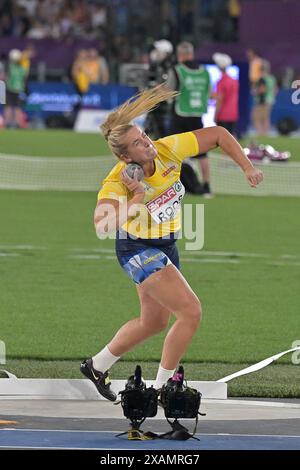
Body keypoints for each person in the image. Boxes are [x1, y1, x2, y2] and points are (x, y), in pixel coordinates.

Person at [79, 85, 263, 401]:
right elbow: (102, 224)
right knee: (191, 311)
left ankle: (97, 366)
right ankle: (162, 388)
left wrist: (246, 166)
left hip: (166, 244)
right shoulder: (117, 182)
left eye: (145, 136)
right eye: (138, 143)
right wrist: (136, 196)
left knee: (154, 322)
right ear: (126, 156)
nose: (147, 143)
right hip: (137, 249)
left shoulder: (166, 150)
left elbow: (218, 133)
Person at [166, 41, 213, 197]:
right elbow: (209, 92)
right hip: (197, 116)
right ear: (191, 54)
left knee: (173, 153)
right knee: (202, 154)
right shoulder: (204, 71)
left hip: (180, 115)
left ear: (180, 56)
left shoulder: (178, 70)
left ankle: (174, 187)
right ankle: (207, 186)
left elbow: (169, 92)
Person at [212, 52, 239, 135]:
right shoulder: (234, 81)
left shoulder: (220, 82)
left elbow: (219, 100)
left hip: (223, 116)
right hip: (233, 114)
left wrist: (215, 115)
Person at [252, 60, 277, 135]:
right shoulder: (272, 78)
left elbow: (262, 89)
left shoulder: (262, 78)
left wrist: (255, 92)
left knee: (256, 117)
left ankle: (260, 133)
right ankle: (264, 133)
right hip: (270, 100)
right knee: (266, 118)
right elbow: (275, 89)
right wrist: (271, 96)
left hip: (262, 100)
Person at [4, 49, 27, 128]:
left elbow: (5, 77)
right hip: (19, 90)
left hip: (9, 89)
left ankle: (6, 124)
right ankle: (18, 125)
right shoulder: (22, 69)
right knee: (18, 108)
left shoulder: (9, 67)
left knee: (8, 107)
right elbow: (24, 79)